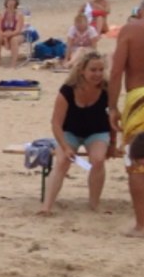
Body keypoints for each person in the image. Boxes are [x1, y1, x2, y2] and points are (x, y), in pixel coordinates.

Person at [40, 51, 113, 216]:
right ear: (82, 71)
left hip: (97, 131)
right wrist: (65, 147)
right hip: (70, 131)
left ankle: (94, 203)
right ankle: (47, 206)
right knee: (62, 161)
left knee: (98, 160)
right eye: (93, 70)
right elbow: (56, 123)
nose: (98, 74)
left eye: (101, 70)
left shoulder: (107, 88)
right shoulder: (67, 90)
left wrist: (113, 144)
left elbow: (113, 118)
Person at [109, 0, 144, 237]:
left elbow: (116, 70)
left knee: (136, 162)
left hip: (139, 98)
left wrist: (112, 107)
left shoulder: (131, 30)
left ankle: (142, 224)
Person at [0, 0, 26, 68]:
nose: (10, 2)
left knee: (14, 39)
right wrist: (6, 39)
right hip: (3, 34)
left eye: (12, 0)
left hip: (16, 34)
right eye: (9, 0)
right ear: (6, 2)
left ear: (16, 3)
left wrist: (9, 36)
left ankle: (13, 64)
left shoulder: (19, 15)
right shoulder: (0, 15)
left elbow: (18, 30)